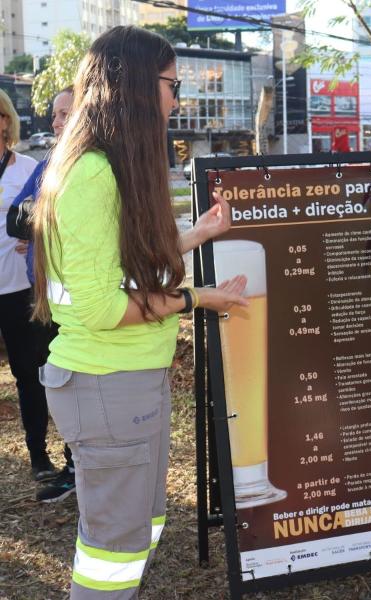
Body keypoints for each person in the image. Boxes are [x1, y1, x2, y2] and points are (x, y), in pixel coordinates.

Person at [32, 26, 247, 599]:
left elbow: (124, 261)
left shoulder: (108, 167)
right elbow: (104, 306)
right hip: (106, 385)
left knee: (138, 533)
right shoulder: (92, 175)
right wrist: (198, 299)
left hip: (127, 381)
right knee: (113, 554)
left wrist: (196, 234)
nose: (176, 100)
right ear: (134, 86)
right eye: (172, 85)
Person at [7, 86, 76, 503]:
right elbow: (16, 219)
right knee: (54, 375)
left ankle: (77, 465)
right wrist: (42, 223)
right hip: (47, 290)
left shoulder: (98, 164)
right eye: (54, 115)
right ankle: (71, 466)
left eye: (65, 113)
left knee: (72, 380)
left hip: (75, 294)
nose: (55, 122)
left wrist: (39, 222)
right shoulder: (51, 162)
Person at [0, 89, 52, 482]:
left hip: (18, 288)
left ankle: (39, 456)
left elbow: (51, 218)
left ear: (5, 121)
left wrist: (35, 235)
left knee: (29, 374)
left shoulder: (29, 168)